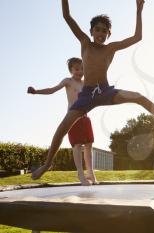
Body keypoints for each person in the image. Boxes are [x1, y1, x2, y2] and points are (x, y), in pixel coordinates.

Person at [32, 0, 154, 180]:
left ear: (108, 34)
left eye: (104, 31)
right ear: (91, 32)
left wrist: (138, 10)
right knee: (62, 128)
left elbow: (137, 37)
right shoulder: (85, 43)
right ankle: (48, 163)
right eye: (97, 29)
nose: (100, 33)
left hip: (105, 91)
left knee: (139, 97)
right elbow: (67, 16)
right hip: (87, 95)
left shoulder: (111, 48)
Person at [28, 57, 97, 185]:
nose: (80, 71)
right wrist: (37, 92)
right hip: (72, 118)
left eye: (82, 69)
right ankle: (80, 175)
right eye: (77, 69)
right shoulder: (68, 81)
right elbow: (52, 90)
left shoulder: (85, 83)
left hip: (85, 117)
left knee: (89, 145)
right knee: (77, 145)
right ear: (71, 70)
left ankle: (91, 173)